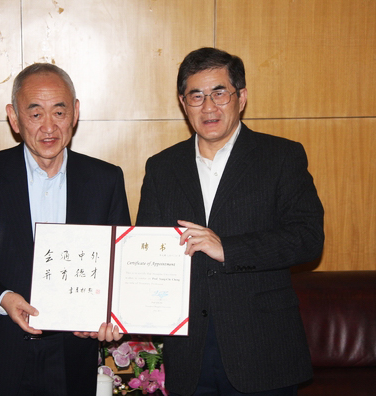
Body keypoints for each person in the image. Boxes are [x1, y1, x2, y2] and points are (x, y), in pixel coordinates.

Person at [136, 47, 324, 395]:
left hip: (262, 348)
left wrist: (229, 249)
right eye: (196, 96)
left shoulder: (281, 157)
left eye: (219, 93)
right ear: (183, 103)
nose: (209, 107)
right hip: (188, 350)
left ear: (242, 98)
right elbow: (146, 251)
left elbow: (308, 238)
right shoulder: (162, 167)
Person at [0, 63, 130, 396]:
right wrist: (2, 299)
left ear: (75, 112)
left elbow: (118, 267)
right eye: (35, 114)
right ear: (14, 118)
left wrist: (108, 316)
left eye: (59, 112)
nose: (48, 127)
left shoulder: (105, 180)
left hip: (71, 357)